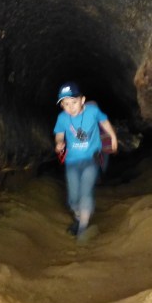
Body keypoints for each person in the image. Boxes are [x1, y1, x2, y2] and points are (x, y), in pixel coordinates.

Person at [53, 81, 118, 241]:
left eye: (73, 102)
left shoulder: (93, 111)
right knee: (73, 198)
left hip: (91, 159)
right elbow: (59, 134)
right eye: (65, 104)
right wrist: (59, 143)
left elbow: (104, 122)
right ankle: (78, 216)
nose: (70, 107)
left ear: (82, 100)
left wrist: (113, 137)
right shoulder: (62, 118)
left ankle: (83, 227)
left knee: (85, 192)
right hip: (72, 162)